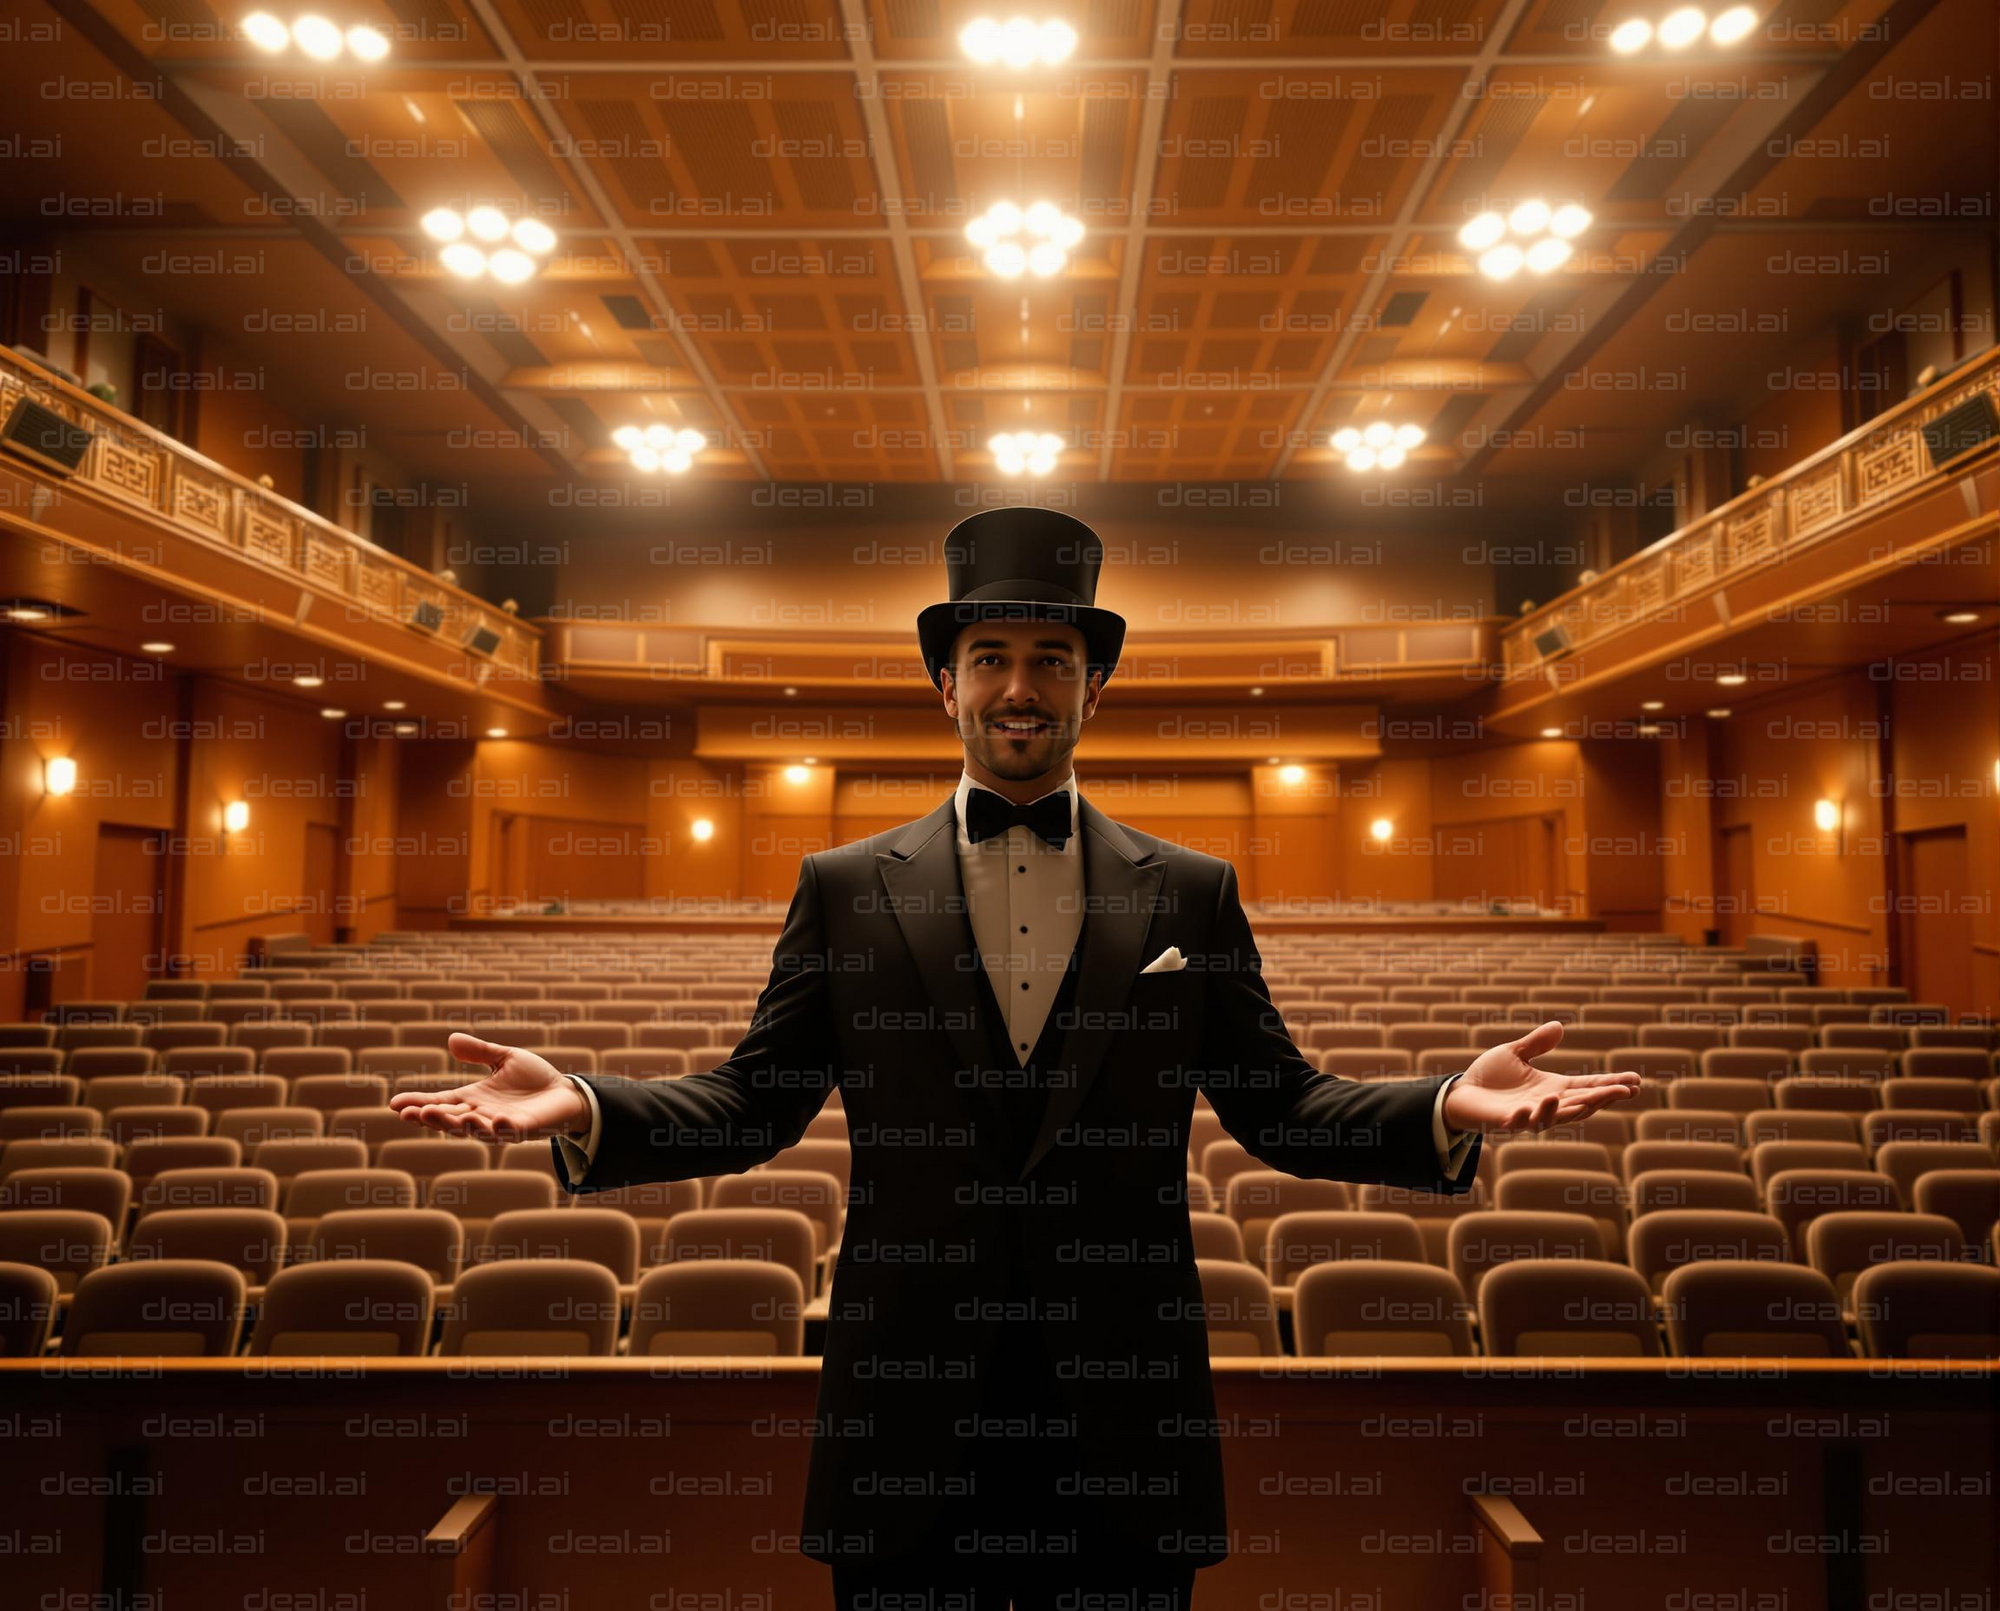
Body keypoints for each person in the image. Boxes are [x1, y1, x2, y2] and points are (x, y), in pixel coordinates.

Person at [391, 507, 1642, 1609]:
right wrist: (586, 1106)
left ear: (1093, 686)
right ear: (946, 685)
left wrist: (1443, 1106)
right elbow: (754, 1100)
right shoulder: (840, 887)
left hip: (1122, 1409)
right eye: (988, 658)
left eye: (1052, 658)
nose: (1019, 687)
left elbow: (1280, 1104)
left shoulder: (1191, 895)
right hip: (906, 1411)